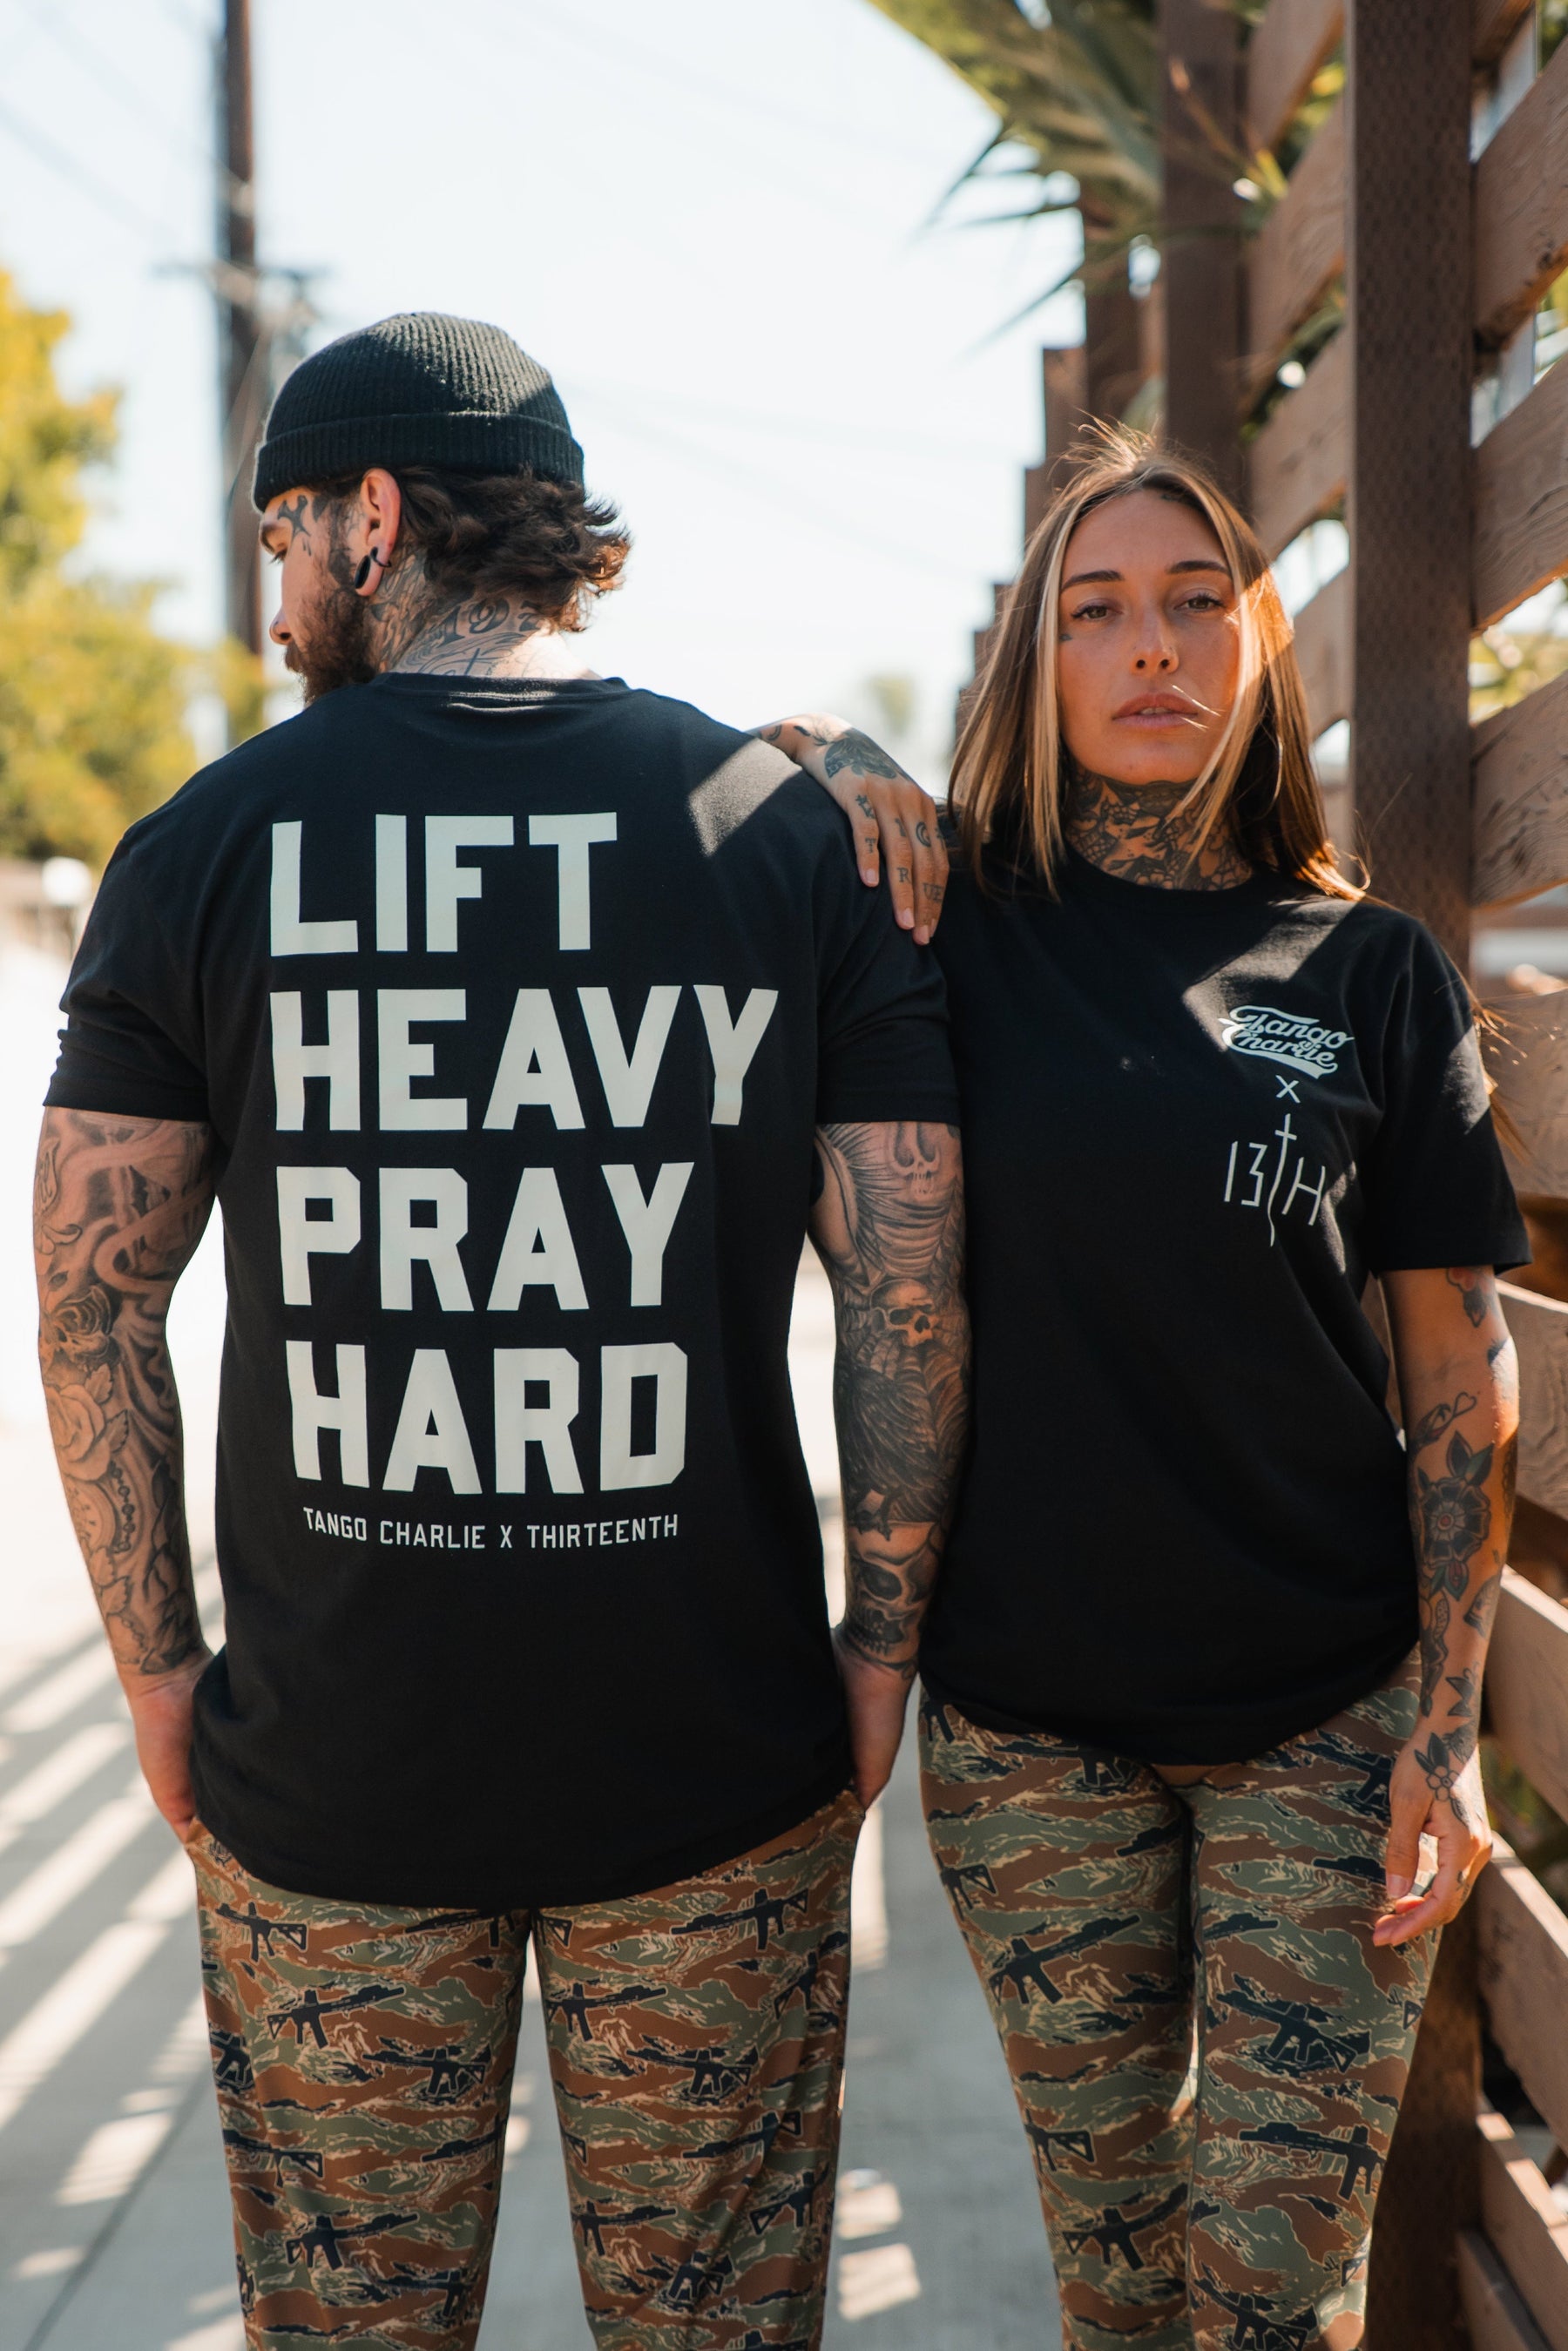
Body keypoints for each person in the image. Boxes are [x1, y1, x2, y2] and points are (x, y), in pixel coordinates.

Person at [33, 312, 970, 2351]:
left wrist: (159, 1668)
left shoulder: (201, 848)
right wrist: (878, 1647)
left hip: (332, 1785)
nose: (276, 593)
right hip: (714, 1758)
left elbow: (94, 1296)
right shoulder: (784, 834)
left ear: (370, 520)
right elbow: (912, 1281)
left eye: (280, 532)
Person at [758, 433, 1524, 2351]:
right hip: (1033, 1735)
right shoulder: (945, 939)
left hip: (1323, 1717)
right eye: (1093, 611)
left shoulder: (1370, 973)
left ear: (1262, 642)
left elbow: (1457, 1365)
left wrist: (1447, 1721)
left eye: (1196, 602)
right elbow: (719, 763)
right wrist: (827, 745)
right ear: (1035, 660)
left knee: (1270, 2296)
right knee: (1114, 2280)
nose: (1151, 646)